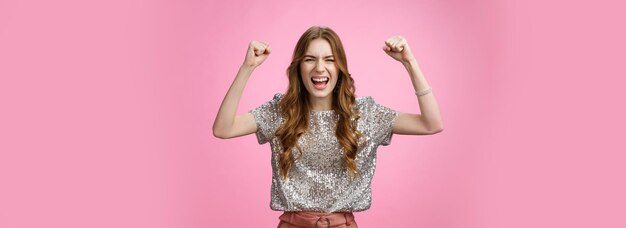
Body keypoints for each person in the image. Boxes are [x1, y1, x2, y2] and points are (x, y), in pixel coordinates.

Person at [213, 26, 443, 228]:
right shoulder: (281, 112)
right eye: (310, 59)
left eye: (329, 59)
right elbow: (223, 128)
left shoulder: (365, 114)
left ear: (340, 67)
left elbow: (431, 123)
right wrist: (247, 67)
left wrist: (409, 62)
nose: (320, 68)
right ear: (299, 67)